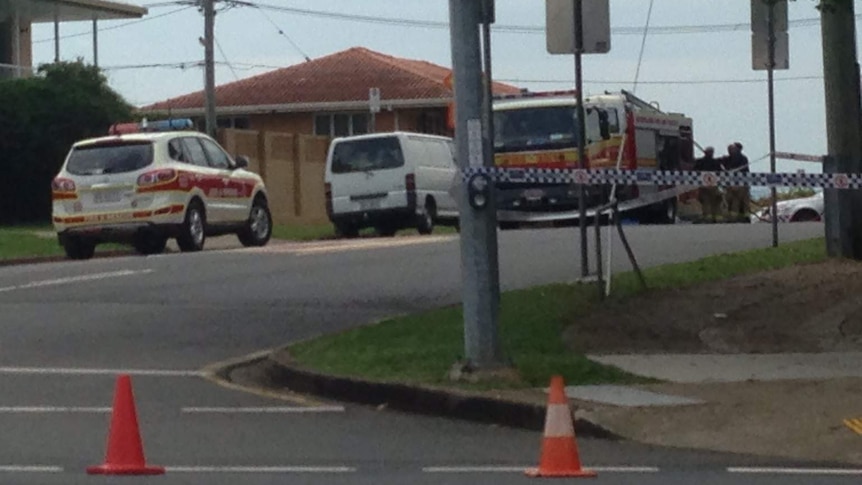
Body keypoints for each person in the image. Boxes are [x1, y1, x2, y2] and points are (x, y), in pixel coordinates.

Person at [723, 142, 750, 223]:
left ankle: (739, 218)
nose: (730, 151)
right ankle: (739, 218)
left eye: (732, 149)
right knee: (732, 201)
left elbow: (743, 171)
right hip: (733, 184)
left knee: (738, 202)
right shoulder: (728, 159)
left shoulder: (742, 159)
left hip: (740, 185)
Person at [694, 146, 723, 222]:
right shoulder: (716, 162)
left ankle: (708, 217)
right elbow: (720, 173)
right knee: (715, 201)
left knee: (706, 201)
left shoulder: (699, 162)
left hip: (703, 185)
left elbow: (694, 172)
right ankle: (716, 217)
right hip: (713, 185)